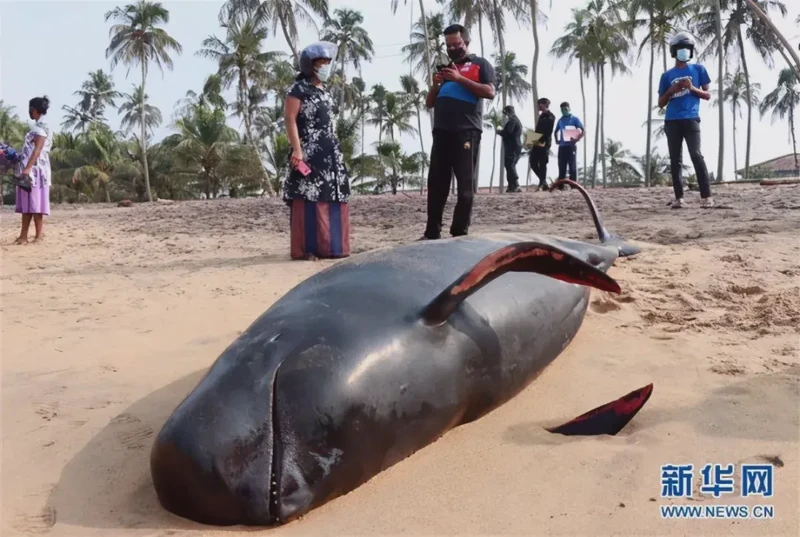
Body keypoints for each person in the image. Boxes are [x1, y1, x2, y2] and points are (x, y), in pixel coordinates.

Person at [422, 24, 496, 240]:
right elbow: (429, 103)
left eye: (457, 44)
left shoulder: (480, 64)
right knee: (436, 184)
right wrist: (436, 85)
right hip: (442, 132)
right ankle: (432, 232)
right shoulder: (446, 70)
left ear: (466, 42)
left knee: (465, 186)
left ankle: (459, 232)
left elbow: (490, 91)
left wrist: (460, 79)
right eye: (449, 46)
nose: (452, 49)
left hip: (466, 131)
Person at [283, 41, 351, 260]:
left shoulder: (325, 91)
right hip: (309, 152)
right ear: (310, 65)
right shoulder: (298, 89)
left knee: (332, 194)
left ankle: (332, 247)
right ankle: (307, 249)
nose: (325, 67)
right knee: (309, 197)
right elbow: (290, 119)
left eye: (328, 62)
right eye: (322, 62)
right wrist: (297, 150)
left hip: (330, 152)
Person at [658, 31, 714, 209]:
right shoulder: (666, 76)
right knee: (675, 160)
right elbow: (661, 103)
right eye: (681, 48)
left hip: (691, 118)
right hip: (672, 120)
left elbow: (707, 95)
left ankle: (706, 196)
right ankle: (679, 198)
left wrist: (691, 88)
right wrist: (670, 91)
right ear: (674, 51)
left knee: (696, 155)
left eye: (687, 48)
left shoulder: (699, 70)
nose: (684, 51)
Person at [13, 96, 53, 245]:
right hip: (31, 169)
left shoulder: (41, 127)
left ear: (33, 109)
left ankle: (38, 236)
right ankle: (23, 236)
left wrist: (28, 168)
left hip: (36, 171)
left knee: (35, 204)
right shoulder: (39, 125)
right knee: (28, 204)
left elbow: (38, 148)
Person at [554, 102, 584, 190]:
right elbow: (555, 131)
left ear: (569, 109)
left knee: (572, 167)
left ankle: (573, 186)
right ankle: (561, 186)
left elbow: (583, 130)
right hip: (562, 147)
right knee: (561, 167)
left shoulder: (574, 119)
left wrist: (577, 139)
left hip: (571, 146)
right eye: (562, 110)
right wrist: (557, 140)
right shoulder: (560, 120)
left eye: (565, 109)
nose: (564, 111)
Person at [529, 98, 556, 191]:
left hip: (544, 142)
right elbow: (537, 130)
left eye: (540, 104)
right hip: (537, 141)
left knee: (542, 163)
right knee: (532, 162)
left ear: (544, 104)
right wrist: (532, 140)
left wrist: (542, 142)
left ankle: (542, 183)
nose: (538, 106)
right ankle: (543, 182)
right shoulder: (541, 116)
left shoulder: (551, 116)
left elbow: (548, 131)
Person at [495, 105, 523, 193]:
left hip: (513, 146)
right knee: (508, 164)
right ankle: (511, 186)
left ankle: (516, 184)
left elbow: (509, 132)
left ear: (507, 112)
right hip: (513, 145)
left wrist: (499, 131)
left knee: (510, 165)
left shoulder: (513, 120)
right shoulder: (515, 120)